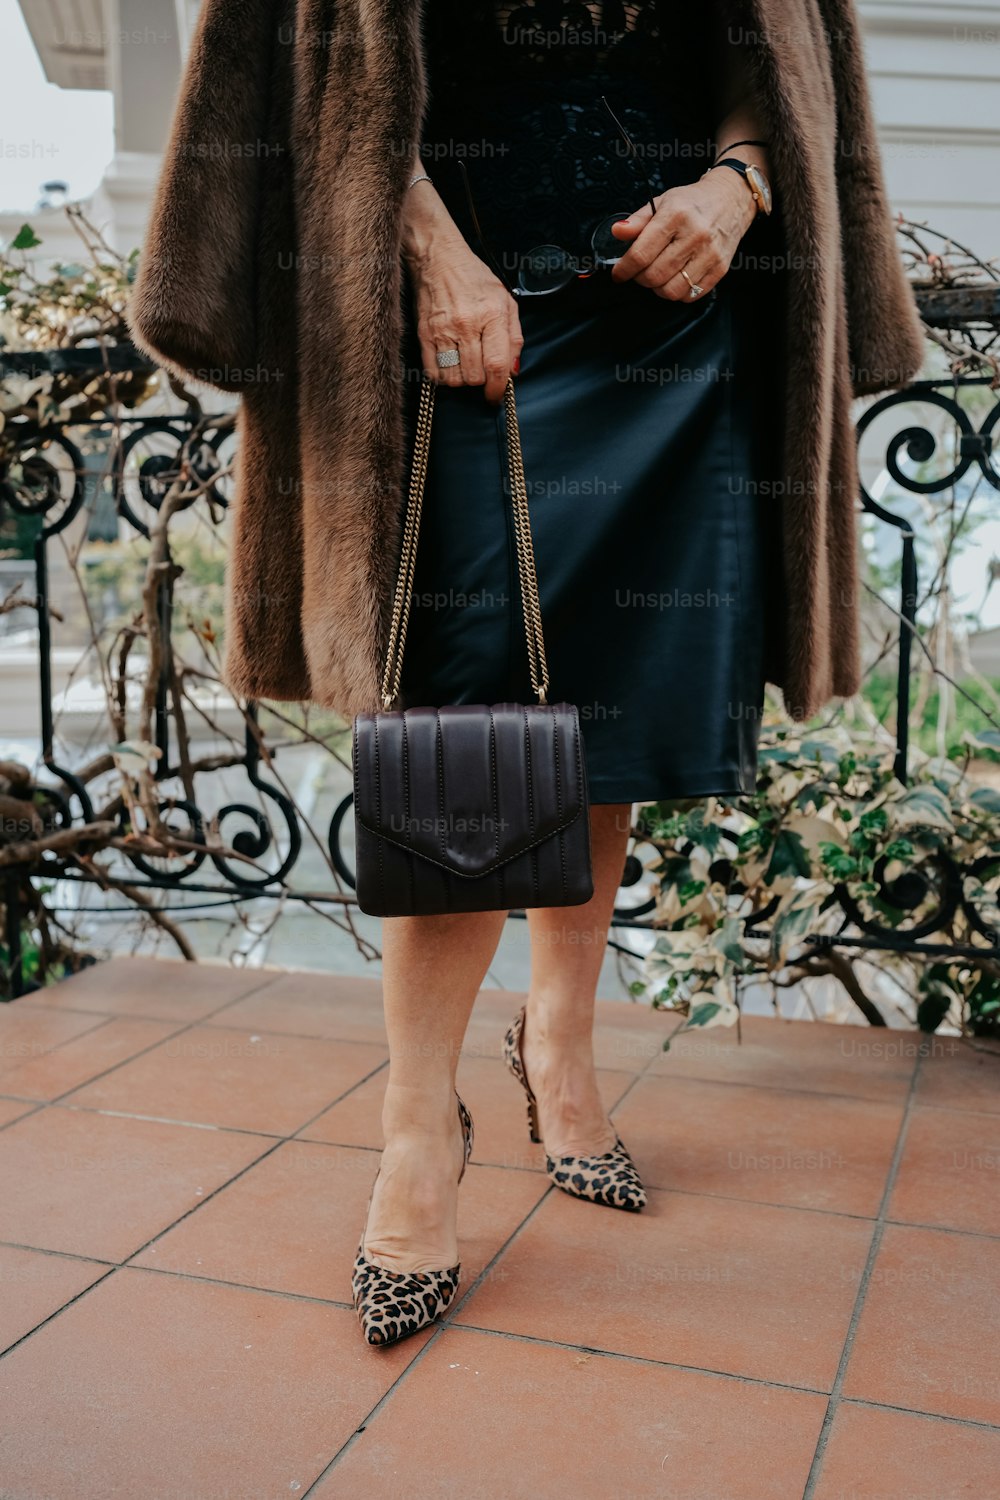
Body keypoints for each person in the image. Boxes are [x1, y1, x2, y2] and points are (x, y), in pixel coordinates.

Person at [352, 0, 785, 1348]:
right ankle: (417, 1129)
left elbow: (772, 69)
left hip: (673, 318)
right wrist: (428, 249)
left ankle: (559, 1052)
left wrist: (737, 185)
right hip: (472, 302)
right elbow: (324, 79)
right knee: (472, 717)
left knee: (613, 695)